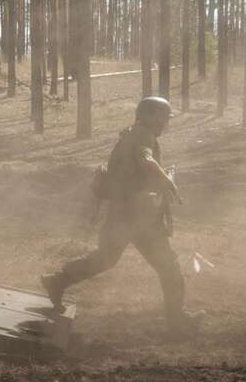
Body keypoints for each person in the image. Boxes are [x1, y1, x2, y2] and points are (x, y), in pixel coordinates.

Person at [41, 97, 204, 331]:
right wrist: (166, 179)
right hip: (138, 217)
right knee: (168, 266)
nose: (165, 123)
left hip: (124, 213)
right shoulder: (143, 136)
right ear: (150, 116)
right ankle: (177, 322)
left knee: (105, 259)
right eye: (163, 118)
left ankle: (57, 281)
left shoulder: (132, 133)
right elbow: (145, 158)